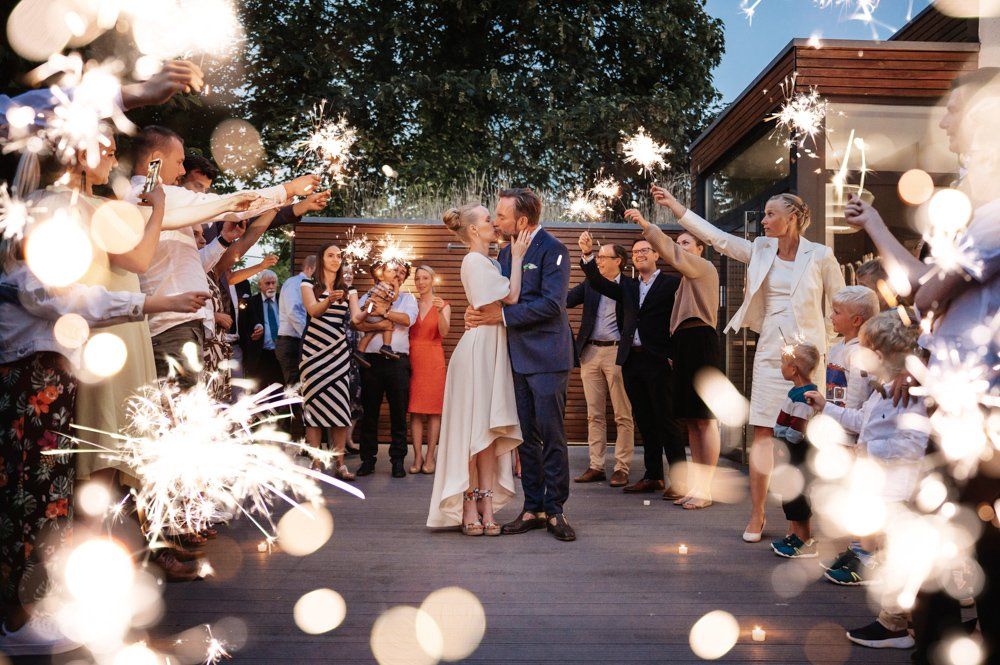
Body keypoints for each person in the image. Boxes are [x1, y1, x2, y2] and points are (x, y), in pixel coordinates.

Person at [0, 259, 206, 655]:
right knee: (30, 496)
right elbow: (68, 301)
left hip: (49, 380)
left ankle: (39, 604)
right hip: (30, 381)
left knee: (49, 499)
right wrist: (157, 301)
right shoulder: (18, 264)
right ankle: (19, 616)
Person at [652, 185, 844, 542]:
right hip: (771, 350)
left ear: (793, 219)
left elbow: (838, 305)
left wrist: (830, 353)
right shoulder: (759, 250)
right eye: (765, 214)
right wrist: (676, 207)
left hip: (809, 354)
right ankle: (757, 514)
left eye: (771, 214)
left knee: (805, 438)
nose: (765, 220)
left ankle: (800, 520)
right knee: (763, 435)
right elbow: (719, 239)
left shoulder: (820, 255)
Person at [125, 125, 320, 386]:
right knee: (176, 416)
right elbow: (233, 205)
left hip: (180, 324)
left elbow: (194, 265)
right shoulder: (154, 195)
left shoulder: (157, 199)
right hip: (169, 327)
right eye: (180, 162)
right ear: (155, 160)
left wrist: (224, 240)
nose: (182, 171)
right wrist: (288, 189)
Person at [804, 311, 928, 648]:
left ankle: (894, 625)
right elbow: (862, 420)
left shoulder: (909, 394)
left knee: (896, 555)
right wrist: (824, 407)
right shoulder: (882, 390)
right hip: (881, 485)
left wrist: (867, 449)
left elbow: (912, 442)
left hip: (900, 488)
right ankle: (904, 621)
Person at [466, 188, 577, 542]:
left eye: (501, 216)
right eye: (494, 216)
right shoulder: (503, 252)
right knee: (525, 438)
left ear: (523, 220)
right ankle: (533, 506)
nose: (496, 222)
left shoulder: (554, 251)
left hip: (547, 357)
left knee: (551, 435)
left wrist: (500, 315)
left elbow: (551, 305)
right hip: (514, 358)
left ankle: (556, 510)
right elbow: (497, 295)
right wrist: (476, 310)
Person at [428, 206, 529, 534]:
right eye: (488, 219)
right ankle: (468, 505)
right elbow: (511, 296)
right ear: (473, 230)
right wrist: (517, 256)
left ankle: (487, 505)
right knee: (474, 432)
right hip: (477, 355)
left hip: (493, 349)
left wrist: (509, 257)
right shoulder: (473, 260)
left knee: (488, 434)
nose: (494, 223)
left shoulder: (490, 260)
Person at [578, 231, 687, 501]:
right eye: (636, 252)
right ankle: (653, 476)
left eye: (645, 251)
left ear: (657, 255)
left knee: (667, 421)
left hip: (659, 360)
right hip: (631, 360)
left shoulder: (673, 284)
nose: (640, 255)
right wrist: (588, 255)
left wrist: (674, 354)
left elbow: (683, 319)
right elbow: (597, 282)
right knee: (645, 421)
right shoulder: (629, 286)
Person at [626, 210, 723, 509]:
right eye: (678, 243)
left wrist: (646, 226)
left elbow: (670, 254)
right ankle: (697, 485)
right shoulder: (684, 282)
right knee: (691, 422)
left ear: (699, 248)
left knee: (705, 420)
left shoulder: (704, 269)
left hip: (700, 343)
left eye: (685, 243)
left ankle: (708, 487)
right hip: (683, 345)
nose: (680, 248)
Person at [566, 243, 635, 488]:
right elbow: (565, 300)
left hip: (617, 352)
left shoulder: (630, 287)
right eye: (598, 257)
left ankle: (621, 467)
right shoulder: (590, 285)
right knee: (593, 414)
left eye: (604, 257)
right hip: (591, 352)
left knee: (622, 414)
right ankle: (596, 465)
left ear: (619, 261)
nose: (599, 261)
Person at [300, 244, 362, 481]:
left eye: (339, 256)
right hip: (314, 353)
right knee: (314, 408)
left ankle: (340, 463)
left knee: (340, 407)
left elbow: (356, 319)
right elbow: (313, 310)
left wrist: (367, 312)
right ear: (321, 258)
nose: (336, 259)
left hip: (337, 352)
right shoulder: (308, 284)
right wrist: (328, 301)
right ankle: (316, 463)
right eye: (331, 255)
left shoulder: (349, 289)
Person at [353, 261, 419, 478]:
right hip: (370, 361)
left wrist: (385, 312)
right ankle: (367, 460)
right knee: (369, 412)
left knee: (398, 413)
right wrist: (380, 324)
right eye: (395, 271)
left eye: (402, 273)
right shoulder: (369, 294)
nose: (398, 275)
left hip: (397, 361)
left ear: (405, 277)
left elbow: (407, 320)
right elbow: (357, 323)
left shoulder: (408, 298)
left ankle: (398, 460)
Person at [769, 342, 820, 559]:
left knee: (797, 494)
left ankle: (804, 539)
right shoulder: (796, 391)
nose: (780, 366)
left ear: (793, 369)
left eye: (783, 362)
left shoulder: (804, 397)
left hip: (796, 451)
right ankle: (798, 536)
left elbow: (797, 429)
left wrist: (784, 441)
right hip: (788, 449)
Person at [408, 265, 451, 474]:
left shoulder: (443, 304)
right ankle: (417, 457)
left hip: (434, 358)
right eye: (418, 279)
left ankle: (430, 457)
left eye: (425, 278)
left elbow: (444, 332)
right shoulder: (411, 304)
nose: (421, 282)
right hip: (413, 357)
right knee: (415, 411)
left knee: (434, 412)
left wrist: (441, 311)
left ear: (432, 280)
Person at [238, 270, 286, 390]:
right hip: (260, 355)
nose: (271, 286)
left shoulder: (284, 301)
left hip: (280, 354)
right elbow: (243, 329)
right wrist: (252, 335)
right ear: (260, 285)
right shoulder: (250, 303)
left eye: (273, 283)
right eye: (267, 283)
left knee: (280, 392)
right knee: (259, 393)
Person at [277, 255, 317, 387]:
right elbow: (294, 312)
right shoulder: (295, 283)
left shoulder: (310, 286)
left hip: (298, 341)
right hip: (291, 342)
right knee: (295, 387)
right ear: (310, 269)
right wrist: (308, 337)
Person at [356, 265, 402, 360]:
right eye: (389, 271)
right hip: (375, 314)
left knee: (369, 334)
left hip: (369, 315)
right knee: (389, 325)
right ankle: (386, 346)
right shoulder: (385, 286)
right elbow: (394, 297)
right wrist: (396, 286)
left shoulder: (378, 286)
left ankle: (359, 352)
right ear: (381, 277)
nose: (394, 273)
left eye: (393, 271)